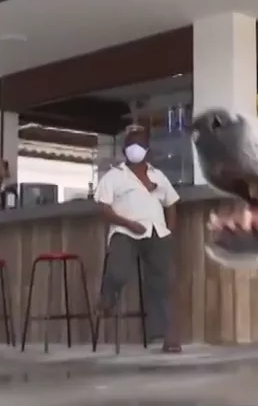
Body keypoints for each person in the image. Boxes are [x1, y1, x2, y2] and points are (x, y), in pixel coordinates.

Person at [94, 125, 182, 353]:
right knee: (118, 270)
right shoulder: (114, 176)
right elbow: (103, 209)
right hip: (125, 231)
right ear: (124, 149)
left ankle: (168, 336)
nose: (136, 148)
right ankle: (108, 295)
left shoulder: (158, 176)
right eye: (132, 144)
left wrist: (169, 230)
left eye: (140, 144)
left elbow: (171, 203)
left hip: (156, 232)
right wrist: (127, 223)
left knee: (165, 282)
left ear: (148, 149)